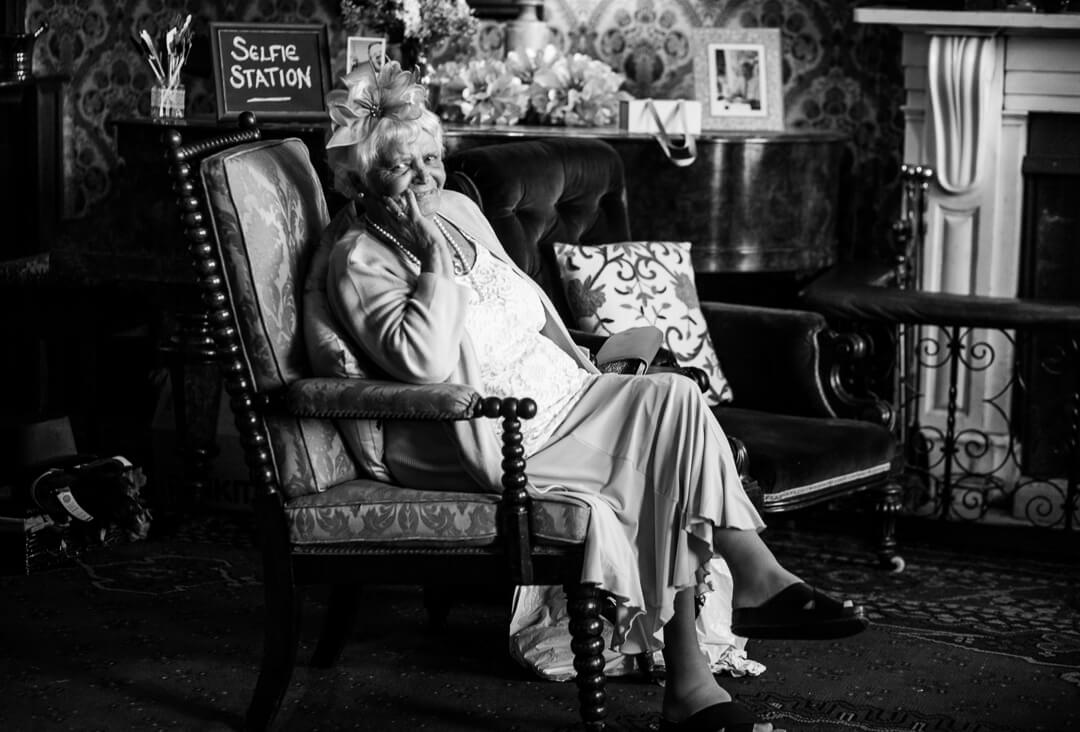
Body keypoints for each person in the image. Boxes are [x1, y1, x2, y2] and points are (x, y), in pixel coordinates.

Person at [319, 60, 868, 732]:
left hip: (562, 397)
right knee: (659, 466)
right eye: (403, 168)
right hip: (483, 434)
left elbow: (530, 301)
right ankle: (694, 678)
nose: (426, 179)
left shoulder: (457, 208)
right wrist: (433, 261)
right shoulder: (357, 259)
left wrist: (584, 360)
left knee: (671, 398)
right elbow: (424, 362)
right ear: (363, 180)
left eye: (432, 159)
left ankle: (748, 573)